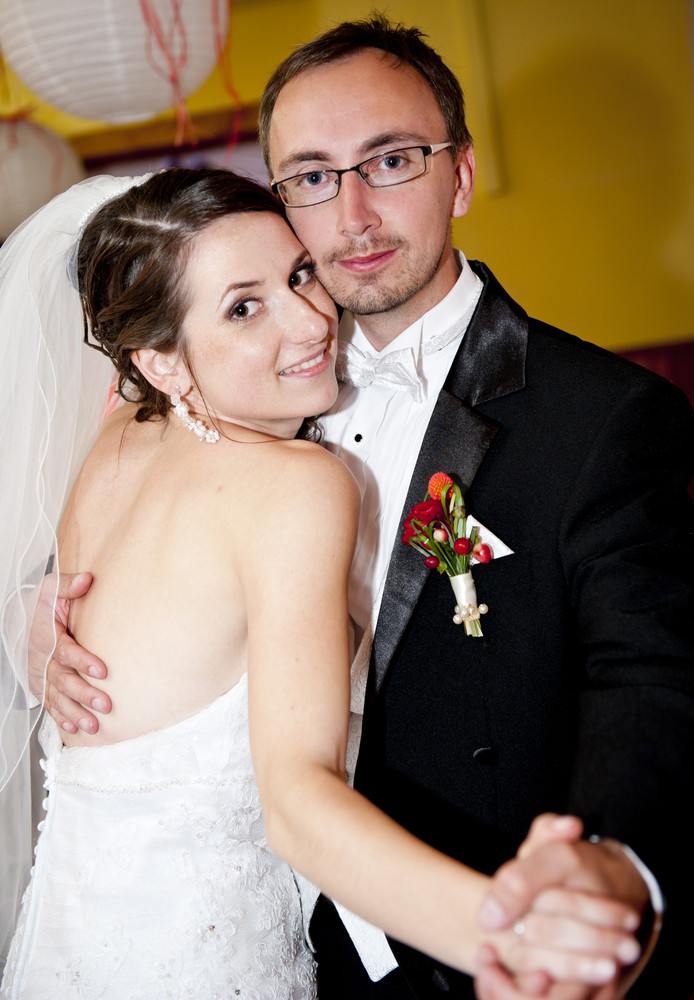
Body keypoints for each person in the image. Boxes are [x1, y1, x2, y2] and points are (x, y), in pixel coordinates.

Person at [32, 14, 694, 999]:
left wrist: (608, 863)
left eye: (389, 160)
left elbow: (651, 675)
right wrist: (34, 615)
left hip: (471, 916)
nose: (351, 212)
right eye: (309, 175)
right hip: (277, 935)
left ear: (460, 175)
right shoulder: (235, 384)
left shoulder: (602, 416)